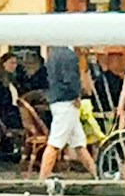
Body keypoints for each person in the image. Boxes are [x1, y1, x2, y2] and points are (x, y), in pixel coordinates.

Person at [38, 34, 91, 177]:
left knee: (79, 143)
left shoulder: (53, 53)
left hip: (57, 99)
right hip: (66, 101)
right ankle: (42, 178)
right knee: (55, 143)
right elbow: (71, 79)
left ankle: (96, 174)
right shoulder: (69, 55)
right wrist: (77, 95)